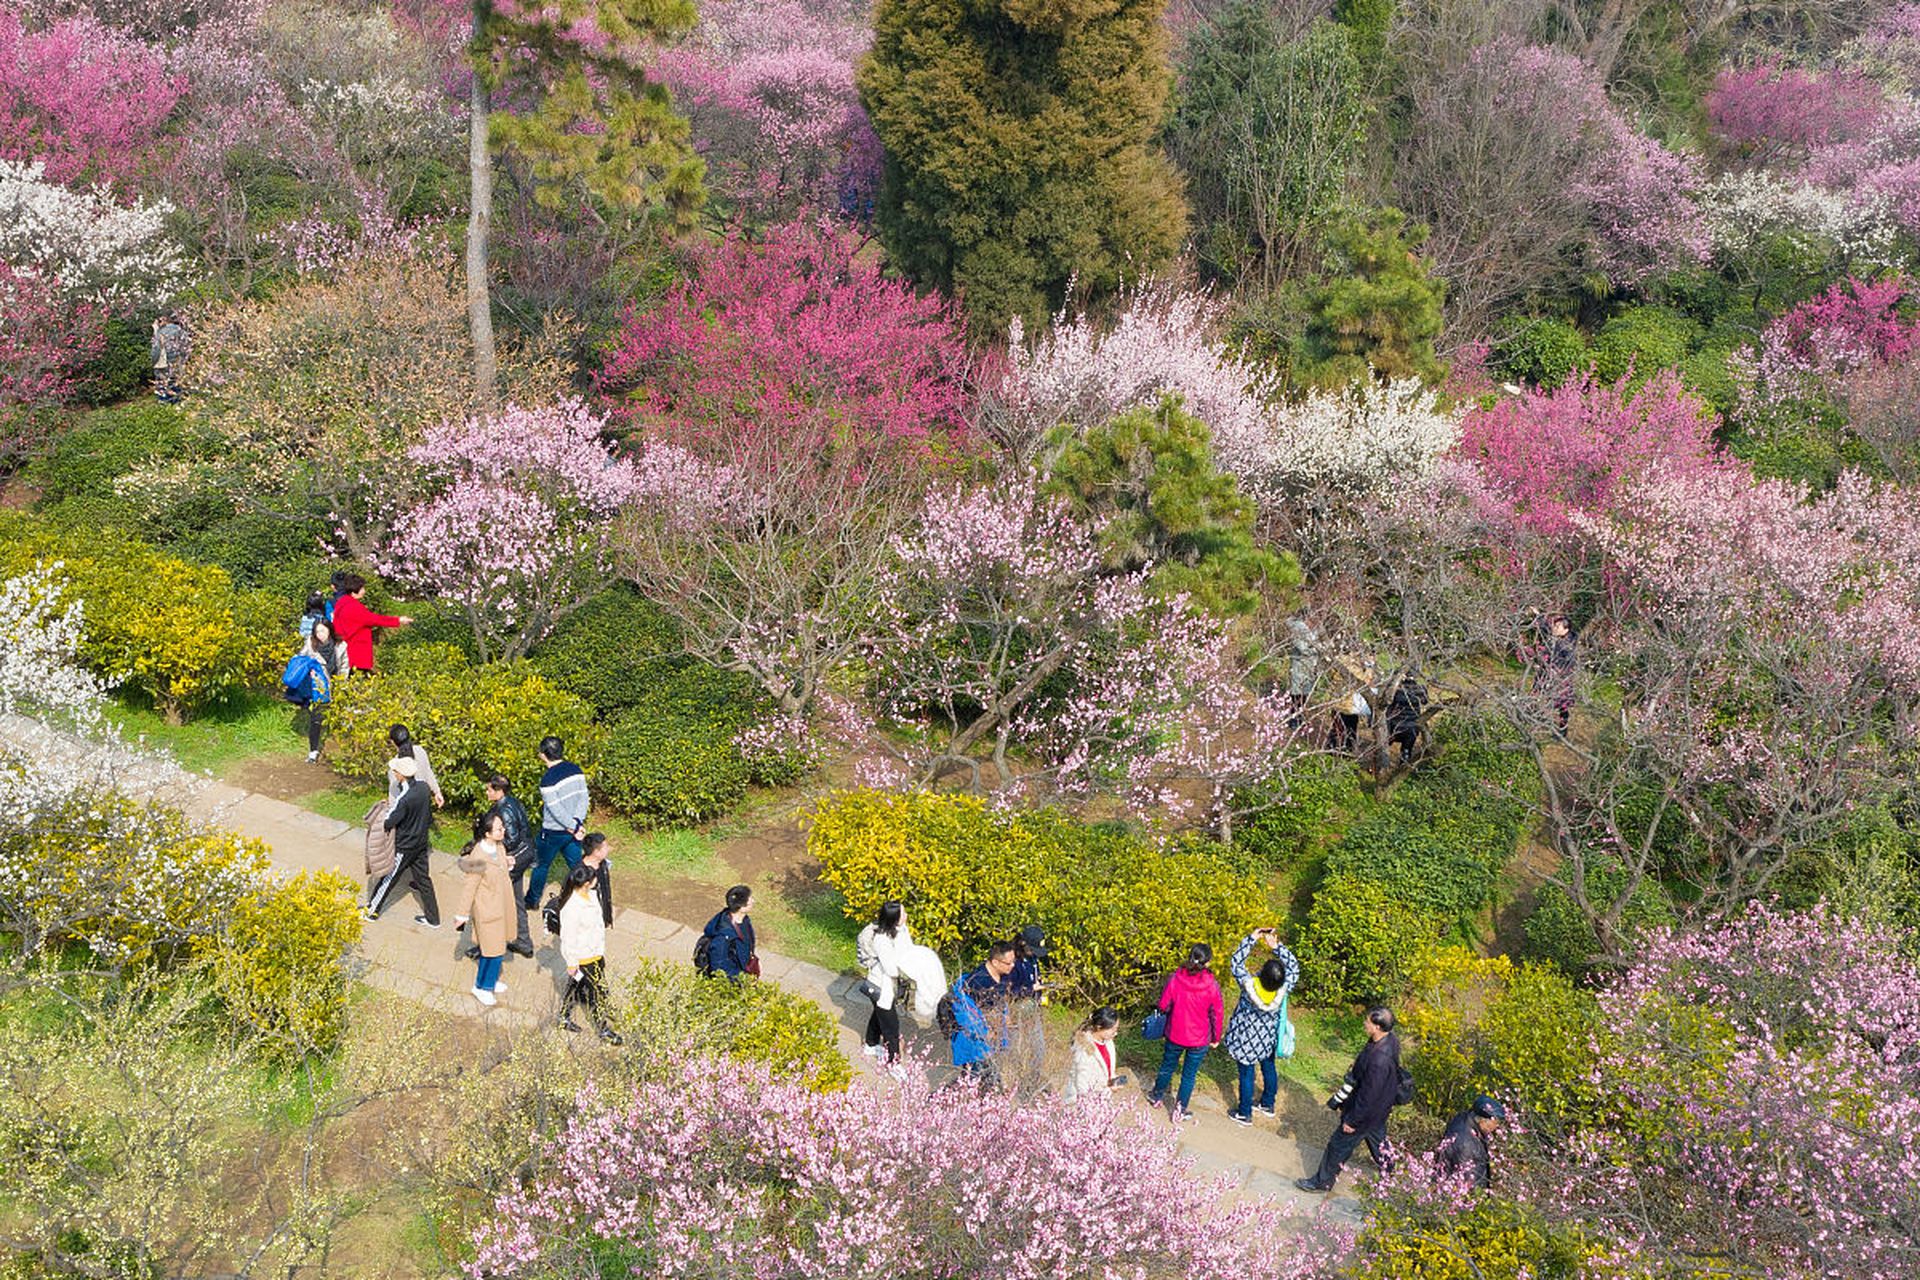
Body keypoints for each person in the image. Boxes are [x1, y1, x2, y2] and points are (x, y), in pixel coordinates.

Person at [1297, 1006, 1402, 1192]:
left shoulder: (1379, 1060)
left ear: (1377, 1026)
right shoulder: (1389, 1040)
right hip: (1379, 1111)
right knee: (1379, 1143)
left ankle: (1322, 1182)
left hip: (1365, 1113)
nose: (1364, 1023)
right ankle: (1391, 1173)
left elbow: (1368, 1096)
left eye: (1368, 1021)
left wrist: (1352, 1120)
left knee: (1338, 1146)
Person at [1223, 928, 1300, 1126]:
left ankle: (1244, 1113)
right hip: (1267, 1038)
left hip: (1246, 1040)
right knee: (1269, 1067)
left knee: (1246, 1075)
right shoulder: (1283, 988)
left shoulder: (1249, 985)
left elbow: (1236, 963)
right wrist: (1277, 947)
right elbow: (1294, 968)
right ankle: (1267, 1104)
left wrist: (1252, 939)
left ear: (1262, 973)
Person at [1148, 942, 1225, 1123]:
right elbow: (1217, 1014)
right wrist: (1215, 1037)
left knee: (1167, 1066)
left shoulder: (1176, 978)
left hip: (1175, 1033)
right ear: (1208, 963)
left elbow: (1163, 1005)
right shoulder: (1212, 985)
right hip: (1199, 1039)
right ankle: (1179, 1112)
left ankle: (1156, 1096)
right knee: (1188, 1075)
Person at [366, 756, 438, 927]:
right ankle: (433, 918)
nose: (394, 773)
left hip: (405, 845)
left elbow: (390, 822)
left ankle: (371, 911)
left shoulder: (405, 798)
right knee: (423, 880)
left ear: (401, 775)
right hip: (421, 842)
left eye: (395, 771)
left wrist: (384, 816)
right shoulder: (423, 788)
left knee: (388, 877)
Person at [452, 813, 516, 1007]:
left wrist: (507, 863)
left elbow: (499, 866)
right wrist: (461, 914)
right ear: (488, 833)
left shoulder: (499, 847)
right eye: (499, 829)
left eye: (502, 827)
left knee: (496, 948)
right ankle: (481, 986)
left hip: (501, 905)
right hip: (487, 909)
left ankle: (490, 980)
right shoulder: (478, 857)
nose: (503, 830)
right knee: (492, 951)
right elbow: (469, 887)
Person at [556, 863, 622, 1042]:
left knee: (575, 986)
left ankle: (563, 1016)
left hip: (596, 951)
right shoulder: (572, 907)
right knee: (597, 993)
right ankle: (602, 1029)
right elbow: (568, 937)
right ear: (586, 883)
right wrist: (571, 961)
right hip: (584, 957)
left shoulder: (591, 896)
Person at [527, 736, 589, 910]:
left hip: (553, 832)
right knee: (576, 864)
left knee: (541, 865)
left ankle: (532, 900)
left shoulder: (547, 780)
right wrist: (577, 823)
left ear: (543, 755)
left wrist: (572, 826)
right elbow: (583, 798)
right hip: (573, 830)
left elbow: (555, 810)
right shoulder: (576, 770)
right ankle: (588, 893)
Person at [483, 775, 537, 957]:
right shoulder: (513, 802)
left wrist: (490, 841)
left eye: (489, 789)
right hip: (523, 857)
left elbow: (511, 840)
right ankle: (523, 942)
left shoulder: (504, 811)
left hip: (513, 860)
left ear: (499, 791)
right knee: (516, 900)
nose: (487, 792)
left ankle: (486, 942)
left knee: (492, 900)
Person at [949, 941, 1015, 1089]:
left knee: (978, 1080)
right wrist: (988, 1031)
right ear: (995, 962)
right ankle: (938, 1101)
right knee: (976, 1081)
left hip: (991, 1042)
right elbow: (972, 1015)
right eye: (1008, 963)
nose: (1012, 966)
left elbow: (1000, 1005)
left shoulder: (1002, 977)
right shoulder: (978, 981)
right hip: (976, 1042)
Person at [856, 900, 912, 1071]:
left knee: (879, 1016)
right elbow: (891, 969)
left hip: (889, 987)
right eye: (902, 913)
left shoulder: (900, 930)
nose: (906, 915)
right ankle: (893, 1064)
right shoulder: (881, 939)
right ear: (894, 918)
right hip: (881, 987)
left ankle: (871, 1045)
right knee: (891, 1027)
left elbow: (908, 948)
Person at [282, 619, 344, 762]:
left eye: (323, 630)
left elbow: (343, 668)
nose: (320, 634)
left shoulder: (340, 646)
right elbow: (300, 659)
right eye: (317, 632)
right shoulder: (310, 644)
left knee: (334, 715)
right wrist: (308, 670)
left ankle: (338, 744)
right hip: (316, 687)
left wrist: (341, 686)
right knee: (316, 718)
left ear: (330, 630)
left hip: (334, 684)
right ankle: (313, 751)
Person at [330, 574, 410, 674]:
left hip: (347, 647)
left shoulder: (342, 603)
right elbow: (374, 619)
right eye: (362, 588)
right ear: (354, 592)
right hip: (356, 650)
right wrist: (398, 620)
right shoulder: (353, 607)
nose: (364, 591)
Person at [1435, 1095, 1504, 1190]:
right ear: (1483, 1120)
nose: (1496, 1126)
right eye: (1495, 1122)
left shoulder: (1465, 1118)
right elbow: (1469, 1184)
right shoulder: (1467, 1145)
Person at [1063, 1006, 1124, 1103]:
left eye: (1116, 1029)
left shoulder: (1108, 1043)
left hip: (1102, 1099)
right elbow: (1082, 1088)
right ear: (1099, 1027)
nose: (1115, 1033)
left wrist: (1112, 1080)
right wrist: (1109, 1090)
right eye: (1112, 1029)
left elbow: (1108, 1070)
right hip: (1083, 1103)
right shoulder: (1084, 1050)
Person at [700, 884, 757, 980]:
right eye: (750, 900)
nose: (753, 901)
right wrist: (741, 979)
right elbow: (719, 968)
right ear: (741, 907)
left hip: (743, 968)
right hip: (733, 982)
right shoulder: (723, 937)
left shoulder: (744, 919)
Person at [385, 724, 444, 808]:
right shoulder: (420, 751)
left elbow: (394, 799)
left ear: (393, 742)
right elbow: (428, 773)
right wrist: (437, 792)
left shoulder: (395, 766)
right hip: (424, 806)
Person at [1541, 614, 1579, 733]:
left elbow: (1569, 662)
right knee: (1543, 695)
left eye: (1558, 627)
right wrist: (1538, 616)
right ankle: (1537, 717)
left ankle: (1563, 729)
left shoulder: (1567, 644)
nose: (1554, 628)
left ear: (1566, 629)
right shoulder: (1559, 638)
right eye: (1555, 626)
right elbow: (1546, 627)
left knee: (1562, 703)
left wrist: (1557, 671)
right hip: (1550, 673)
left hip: (1561, 676)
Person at [1286, 616, 1323, 724]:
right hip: (1299, 666)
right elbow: (1303, 649)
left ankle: (1299, 716)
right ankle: (1294, 719)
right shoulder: (1298, 629)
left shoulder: (1315, 630)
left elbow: (1326, 642)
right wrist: (1319, 648)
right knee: (1297, 694)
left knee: (1305, 693)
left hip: (1310, 666)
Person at [1385, 672, 1428, 764]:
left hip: (1395, 725)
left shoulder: (1396, 690)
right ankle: (1403, 769)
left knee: (1384, 747)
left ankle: (1382, 766)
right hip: (1412, 726)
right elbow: (1425, 701)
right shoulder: (1421, 689)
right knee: (1406, 751)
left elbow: (1388, 704)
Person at [150, 313, 188, 403]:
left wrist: (155, 330)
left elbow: (156, 349)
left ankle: (164, 404)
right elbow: (186, 347)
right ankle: (176, 403)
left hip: (161, 362)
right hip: (176, 362)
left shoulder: (160, 331)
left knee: (162, 383)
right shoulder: (180, 330)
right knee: (175, 383)